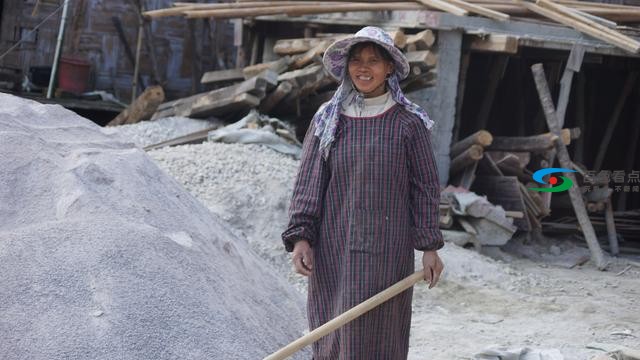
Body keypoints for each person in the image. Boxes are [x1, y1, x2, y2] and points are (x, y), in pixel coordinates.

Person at [281, 26, 444, 359]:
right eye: (357, 60)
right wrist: (301, 238)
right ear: (346, 67)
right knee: (332, 331)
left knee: (379, 334)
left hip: (388, 252)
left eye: (373, 60)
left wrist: (429, 247)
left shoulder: (408, 124)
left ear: (389, 69)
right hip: (334, 248)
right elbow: (309, 182)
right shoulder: (328, 120)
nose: (364, 68)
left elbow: (425, 188)